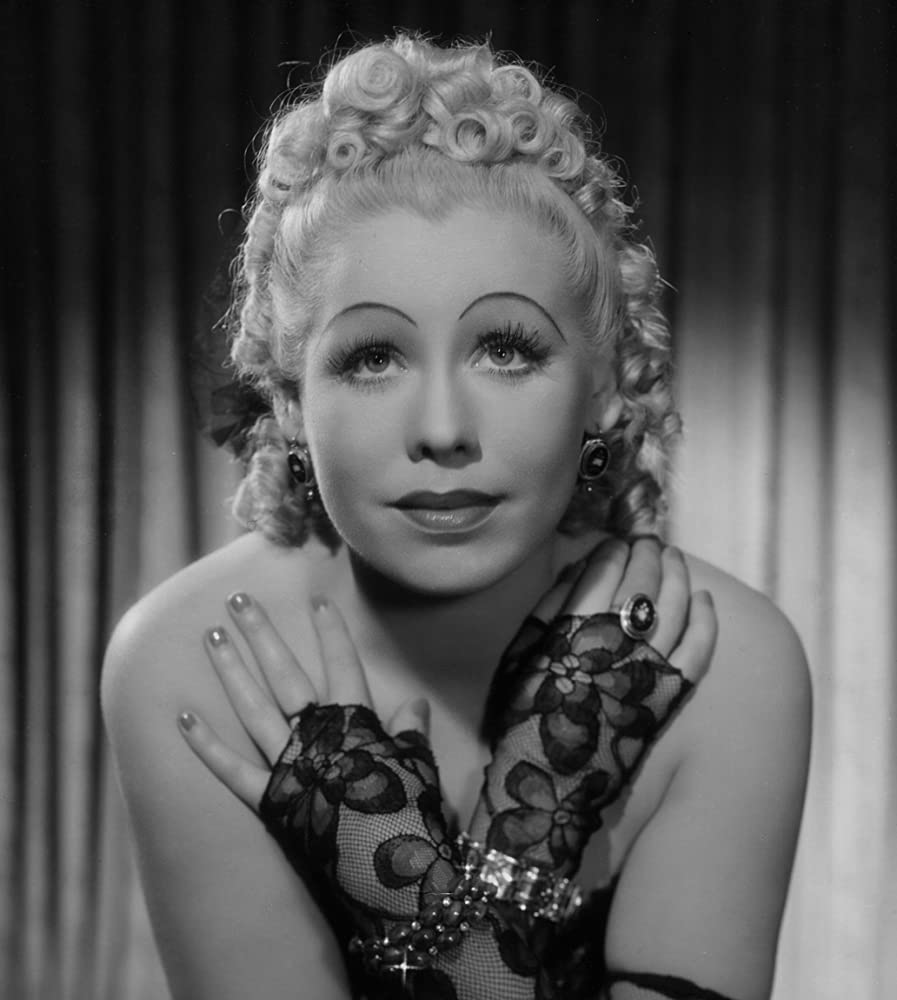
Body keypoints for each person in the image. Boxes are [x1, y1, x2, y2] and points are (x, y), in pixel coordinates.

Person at [101, 34, 811, 1000]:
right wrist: (509, 858)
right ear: (291, 402)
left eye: (506, 350)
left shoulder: (725, 663)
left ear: (603, 388)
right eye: (372, 358)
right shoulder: (194, 659)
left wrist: (461, 869)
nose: (442, 429)